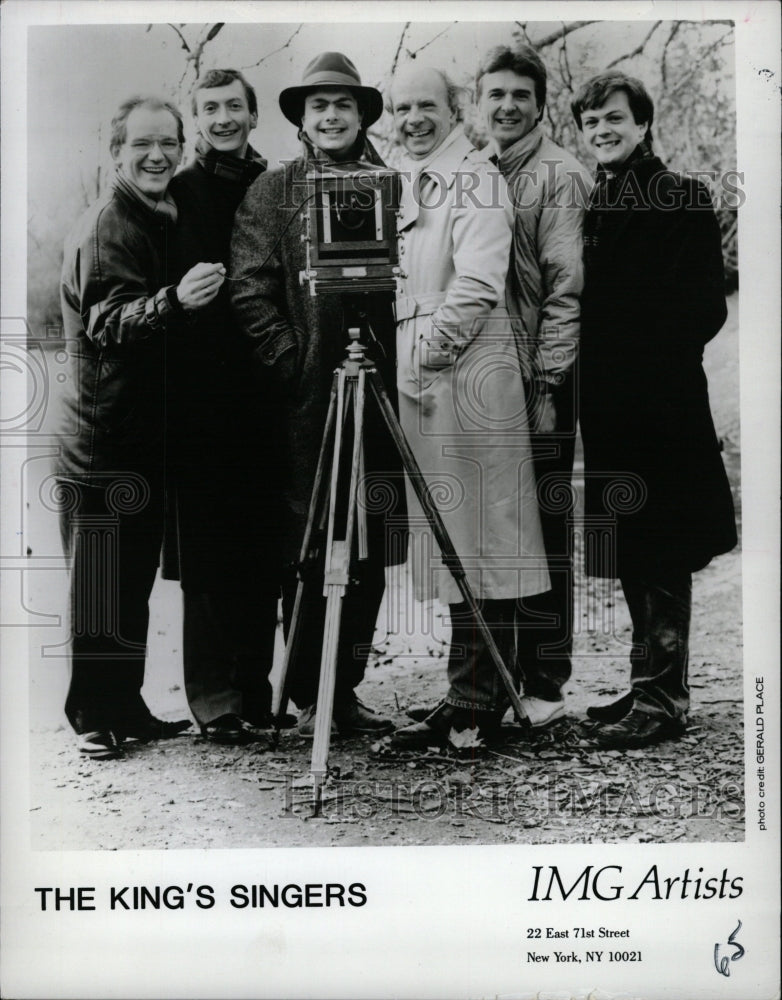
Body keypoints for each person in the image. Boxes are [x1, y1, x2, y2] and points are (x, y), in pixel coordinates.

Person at [230, 52, 403, 737]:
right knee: (310, 539)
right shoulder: (274, 191)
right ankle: (307, 689)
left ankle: (346, 685)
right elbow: (248, 287)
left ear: (361, 116)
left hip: (384, 390)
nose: (330, 117)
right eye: (317, 106)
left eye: (343, 105)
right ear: (302, 119)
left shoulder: (392, 184)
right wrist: (291, 359)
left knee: (372, 537)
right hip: (308, 401)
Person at [570, 72, 737, 748]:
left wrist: (637, 352)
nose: (602, 130)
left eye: (614, 118)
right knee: (635, 547)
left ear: (643, 124)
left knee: (661, 545)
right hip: (612, 410)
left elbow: (704, 306)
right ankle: (648, 684)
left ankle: (664, 697)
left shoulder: (680, 196)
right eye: (591, 123)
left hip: (661, 409)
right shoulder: (597, 202)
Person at [56, 96, 226, 759]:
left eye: (168, 144)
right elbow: (110, 321)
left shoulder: (156, 216)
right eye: (142, 145)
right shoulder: (108, 225)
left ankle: (124, 706)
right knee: (100, 583)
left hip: (139, 437)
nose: (157, 155)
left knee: (128, 581)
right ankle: (94, 716)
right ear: (116, 153)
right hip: (101, 441)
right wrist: (176, 301)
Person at [387, 64, 550, 749]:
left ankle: (482, 697)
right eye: (401, 108)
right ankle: (467, 688)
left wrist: (428, 358)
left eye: (426, 105)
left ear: (457, 110)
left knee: (483, 533)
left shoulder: (475, 177)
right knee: (453, 533)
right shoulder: (408, 177)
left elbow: (478, 283)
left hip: (465, 366)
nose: (412, 119)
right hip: (426, 365)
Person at [166, 69, 290, 745]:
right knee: (211, 551)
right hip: (203, 395)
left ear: (252, 114)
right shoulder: (179, 192)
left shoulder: (273, 185)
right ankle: (214, 700)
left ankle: (255, 688)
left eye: (233, 107)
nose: (223, 118)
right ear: (197, 117)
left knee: (262, 548)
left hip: (269, 389)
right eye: (210, 108)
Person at [477, 44, 592, 729]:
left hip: (542, 377)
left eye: (521, 95)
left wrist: (547, 384)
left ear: (541, 105)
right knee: (495, 526)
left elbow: (566, 290)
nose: (508, 106)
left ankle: (545, 678)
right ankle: (494, 675)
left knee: (545, 527)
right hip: (489, 378)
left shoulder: (560, 176)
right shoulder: (480, 168)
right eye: (496, 94)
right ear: (480, 101)